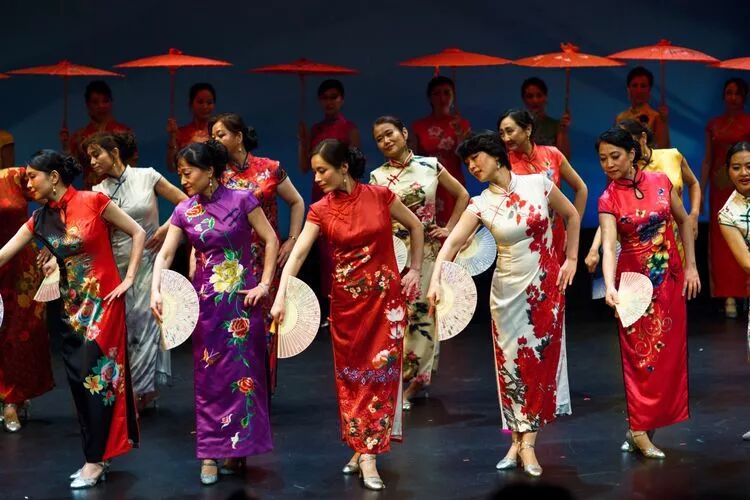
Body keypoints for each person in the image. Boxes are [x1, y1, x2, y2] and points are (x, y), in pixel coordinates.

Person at [272, 139, 423, 490]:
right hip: (347, 307)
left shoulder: (381, 196)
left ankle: (367, 454)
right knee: (354, 378)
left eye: (322, 170)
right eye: (315, 172)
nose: (317, 178)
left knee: (380, 376)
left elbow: (416, 226)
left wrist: (415, 269)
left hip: (385, 303)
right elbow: (298, 254)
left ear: (343, 168)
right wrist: (281, 296)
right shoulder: (320, 209)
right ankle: (362, 443)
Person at [428, 131, 579, 477]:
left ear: (496, 155)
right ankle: (516, 440)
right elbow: (451, 244)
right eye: (467, 162)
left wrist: (570, 259)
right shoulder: (480, 204)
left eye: (475, 158)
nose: (472, 166)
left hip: (544, 289)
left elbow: (571, 215)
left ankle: (528, 444)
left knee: (538, 363)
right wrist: (436, 280)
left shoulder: (538, 183)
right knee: (510, 367)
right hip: (506, 294)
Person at [0, 150, 144, 488]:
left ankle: (95, 460)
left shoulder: (94, 201)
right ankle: (100, 455)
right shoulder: (39, 219)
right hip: (70, 312)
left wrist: (129, 278)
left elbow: (137, 232)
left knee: (99, 383)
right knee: (81, 385)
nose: (28, 183)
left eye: (33, 176)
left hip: (104, 308)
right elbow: (4, 253)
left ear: (53, 177)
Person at [151, 140, 278, 485]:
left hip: (243, 305)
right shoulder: (184, 210)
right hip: (206, 306)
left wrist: (265, 284)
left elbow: (270, 239)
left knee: (243, 378)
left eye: (187, 173)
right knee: (209, 380)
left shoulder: (242, 199)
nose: (183, 180)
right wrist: (155, 290)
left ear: (209, 171)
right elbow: (165, 254)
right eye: (180, 174)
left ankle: (237, 449)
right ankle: (209, 453)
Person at [597, 127, 700, 459]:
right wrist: (609, 285)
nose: (609, 164)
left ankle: (644, 425)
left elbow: (683, 221)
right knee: (640, 357)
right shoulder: (608, 198)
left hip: (669, 280)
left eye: (615, 156)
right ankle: (639, 429)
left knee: (667, 355)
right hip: (634, 285)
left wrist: (691, 266)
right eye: (603, 159)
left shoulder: (660, 181)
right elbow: (609, 246)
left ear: (632, 154)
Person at [370, 115, 469, 409]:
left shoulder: (430, 165)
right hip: (393, 254)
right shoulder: (377, 177)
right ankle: (397, 378)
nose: (386, 141)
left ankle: (414, 383)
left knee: (423, 315)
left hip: (426, 252)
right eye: (379, 138)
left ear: (404, 133)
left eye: (390, 133)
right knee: (395, 318)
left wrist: (449, 228)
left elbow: (462, 195)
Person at [86, 132, 187, 409]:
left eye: (96, 155)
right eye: (89, 157)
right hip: (115, 265)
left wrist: (165, 230)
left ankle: (137, 393)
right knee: (124, 328)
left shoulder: (147, 176)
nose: (92, 162)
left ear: (114, 152)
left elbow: (185, 203)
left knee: (145, 323)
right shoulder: (97, 191)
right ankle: (137, 389)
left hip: (148, 261)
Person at [210, 113, 304, 394]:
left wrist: (292, 239)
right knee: (234, 322)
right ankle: (237, 386)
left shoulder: (270, 168)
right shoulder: (217, 175)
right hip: (231, 261)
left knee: (266, 320)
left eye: (220, 134)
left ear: (238, 137)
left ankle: (262, 386)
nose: (215, 140)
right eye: (213, 136)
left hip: (267, 257)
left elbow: (297, 202)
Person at [585, 119, 701, 272]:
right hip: (641, 245)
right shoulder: (627, 171)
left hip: (676, 234)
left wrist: (694, 214)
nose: (610, 163)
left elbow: (693, 183)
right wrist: (594, 247)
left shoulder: (672, 156)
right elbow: (610, 210)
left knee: (681, 276)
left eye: (630, 141)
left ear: (643, 138)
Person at [0, 165, 54, 432]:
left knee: (18, 333)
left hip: (20, 270)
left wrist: (53, 244)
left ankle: (13, 399)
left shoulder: (14, 176)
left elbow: (56, 201)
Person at [498, 109, 587, 264]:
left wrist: (573, 230)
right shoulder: (504, 165)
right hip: (525, 244)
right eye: (501, 133)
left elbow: (581, 188)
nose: (506, 138)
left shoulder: (553, 154)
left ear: (528, 129)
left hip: (557, 238)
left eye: (510, 131)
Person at [701, 77, 750, 318]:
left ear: (744, 97)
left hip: (745, 185)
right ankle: (728, 296)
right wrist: (700, 192)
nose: (732, 97)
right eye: (729, 92)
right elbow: (708, 160)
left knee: (746, 235)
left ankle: (746, 292)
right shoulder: (714, 125)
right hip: (720, 189)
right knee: (721, 241)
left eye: (737, 93)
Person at [716, 141, 750, 441]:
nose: (743, 172)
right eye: (736, 167)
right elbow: (747, 262)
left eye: (749, 166)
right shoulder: (728, 213)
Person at [411, 76, 471, 226]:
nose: (442, 98)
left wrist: (461, 137)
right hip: (428, 183)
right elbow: (413, 160)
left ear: (453, 96)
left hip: (454, 183)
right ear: (429, 98)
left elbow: (468, 160)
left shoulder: (462, 124)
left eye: (447, 93)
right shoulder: (418, 127)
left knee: (456, 229)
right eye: (436, 93)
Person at [62, 81, 136, 188]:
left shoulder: (123, 133)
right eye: (95, 102)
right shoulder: (80, 136)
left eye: (105, 101)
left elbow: (132, 166)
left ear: (111, 102)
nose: (101, 106)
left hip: (120, 190)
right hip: (91, 191)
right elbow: (71, 169)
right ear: (88, 105)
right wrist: (66, 146)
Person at [297, 79, 360, 203]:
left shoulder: (350, 129)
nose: (329, 102)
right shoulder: (315, 130)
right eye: (324, 98)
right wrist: (302, 141)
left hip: (343, 195)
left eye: (333, 97)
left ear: (342, 100)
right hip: (319, 195)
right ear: (319, 101)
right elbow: (304, 167)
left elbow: (355, 168)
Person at [615, 66, 670, 149]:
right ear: (628, 89)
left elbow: (663, 149)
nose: (639, 90)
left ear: (649, 90)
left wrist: (663, 122)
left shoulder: (656, 117)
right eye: (635, 85)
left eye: (643, 86)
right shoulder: (620, 118)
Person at [166, 83, 216, 170]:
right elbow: (172, 166)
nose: (205, 106)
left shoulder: (218, 133)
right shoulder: (180, 133)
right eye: (200, 102)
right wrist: (172, 136)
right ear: (191, 104)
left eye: (209, 102)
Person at [521, 77, 571, 158]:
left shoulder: (556, 126)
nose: (535, 100)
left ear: (545, 97)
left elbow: (564, 158)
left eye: (539, 95)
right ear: (524, 99)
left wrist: (563, 132)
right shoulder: (517, 126)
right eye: (530, 96)